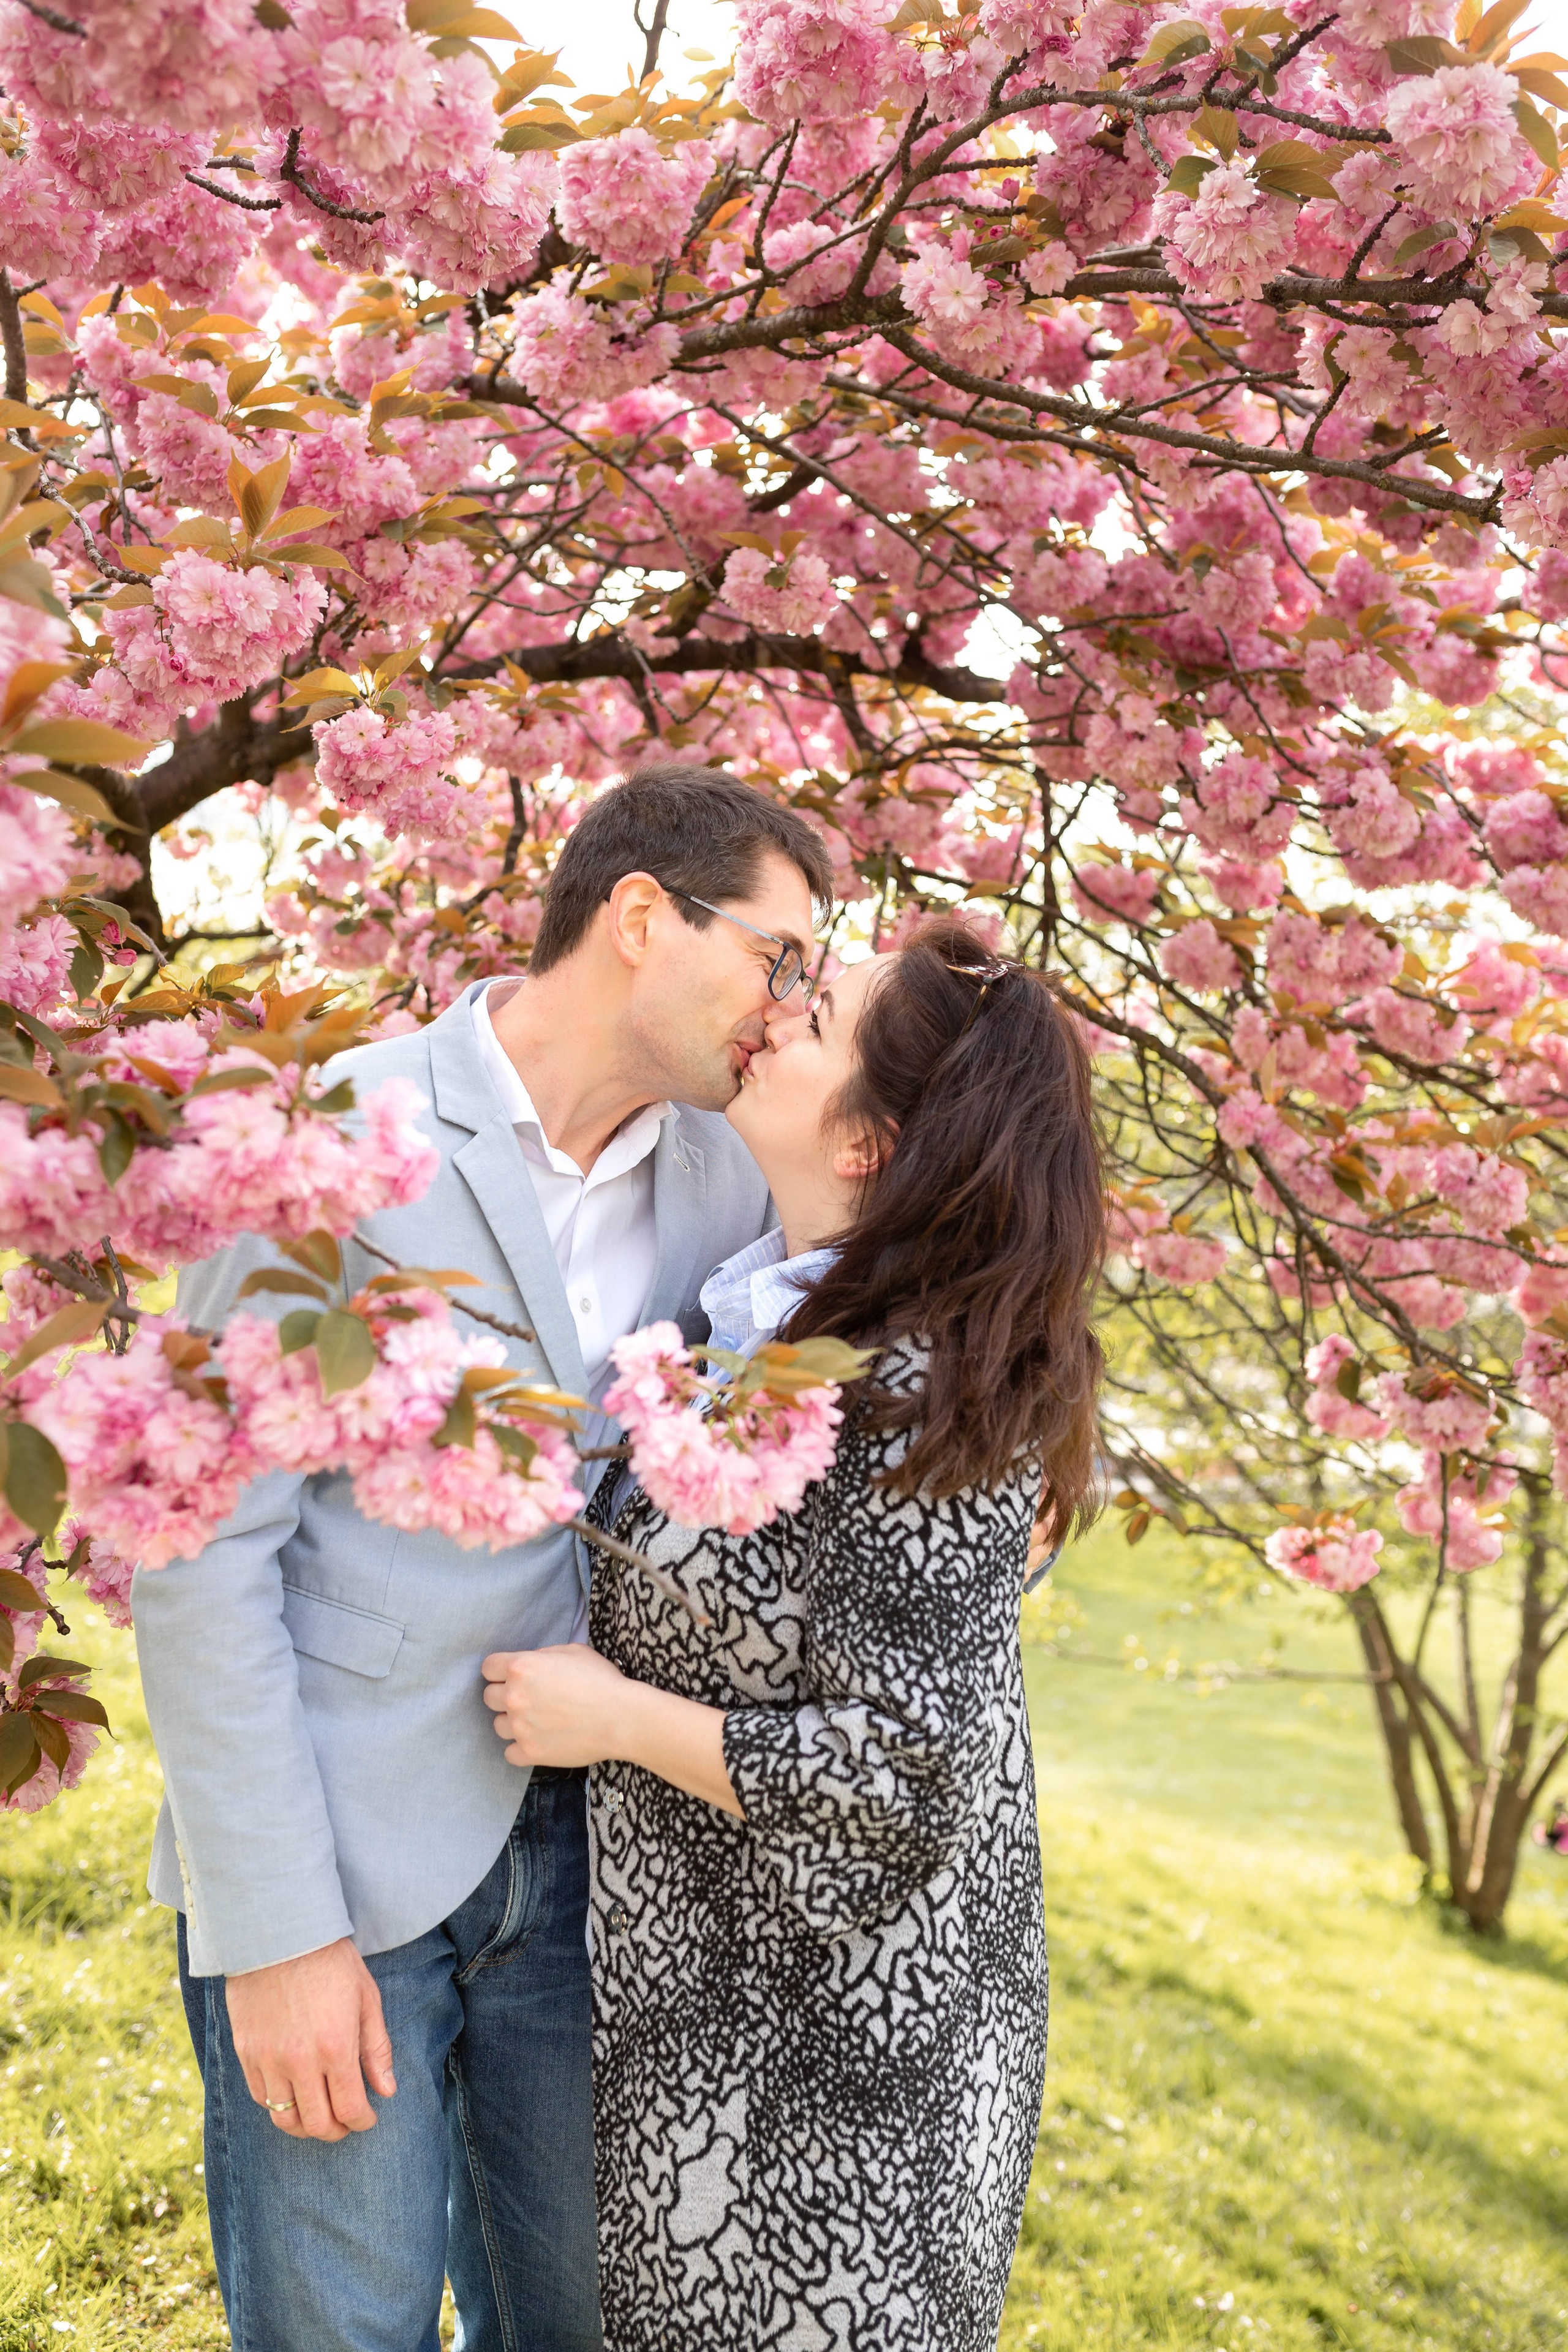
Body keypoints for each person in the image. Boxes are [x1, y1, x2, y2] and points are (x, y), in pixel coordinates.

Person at [130, 766, 834, 2352]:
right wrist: (278, 1934)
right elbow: (198, 1557)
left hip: (608, 1886)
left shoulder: (740, 1174)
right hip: (346, 1862)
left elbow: (847, 1437)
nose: (795, 1006)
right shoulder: (333, 1142)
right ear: (643, 918)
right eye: (780, 957)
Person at [483, 916, 1107, 2352]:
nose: (773, 1010)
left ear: (868, 1146)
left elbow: (905, 1774)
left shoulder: (923, 1393)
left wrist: (615, 1719)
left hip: (841, 2093)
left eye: (814, 1011)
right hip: (736, 2037)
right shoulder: (774, 1323)